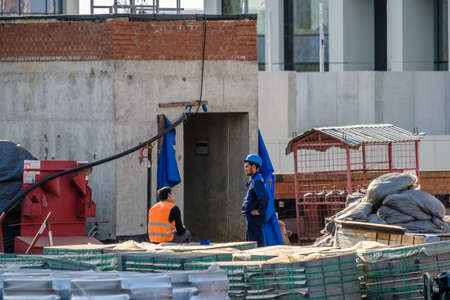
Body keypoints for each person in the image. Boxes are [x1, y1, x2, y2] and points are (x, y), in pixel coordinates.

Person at [242, 154, 269, 247]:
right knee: (252, 243)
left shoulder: (257, 181)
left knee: (255, 244)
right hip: (252, 218)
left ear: (254, 166)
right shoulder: (254, 181)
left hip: (255, 219)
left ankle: (258, 260)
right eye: (245, 167)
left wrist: (259, 211)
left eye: (247, 166)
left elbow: (264, 198)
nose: (245, 169)